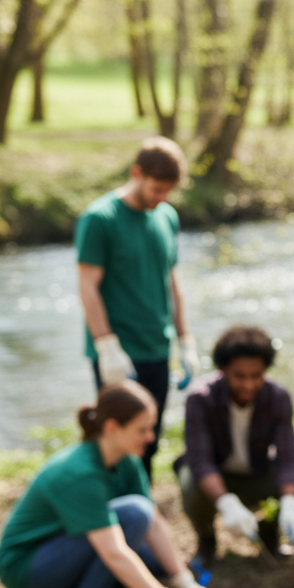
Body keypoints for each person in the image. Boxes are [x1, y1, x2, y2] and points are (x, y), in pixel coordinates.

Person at [0, 381, 217, 588]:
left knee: (156, 562)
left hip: (66, 547)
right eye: (142, 429)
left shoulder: (127, 460)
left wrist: (183, 581)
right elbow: (114, 549)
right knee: (133, 516)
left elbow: (154, 522)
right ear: (112, 427)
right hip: (27, 567)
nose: (151, 437)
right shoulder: (80, 473)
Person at [75, 136, 199, 481]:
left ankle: (140, 506)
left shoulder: (166, 217)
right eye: (156, 188)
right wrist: (107, 346)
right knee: (115, 440)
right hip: (119, 352)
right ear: (136, 173)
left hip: (156, 345)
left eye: (168, 191)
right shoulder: (100, 219)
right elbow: (87, 286)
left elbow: (172, 282)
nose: (161, 198)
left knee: (148, 439)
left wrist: (185, 341)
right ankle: (109, 509)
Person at [175, 325, 294, 565]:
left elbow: (287, 456)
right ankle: (206, 539)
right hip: (218, 476)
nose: (248, 385)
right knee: (190, 482)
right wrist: (226, 504)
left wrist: (289, 503)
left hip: (257, 472)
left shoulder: (278, 397)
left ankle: (270, 528)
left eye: (256, 376)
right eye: (240, 376)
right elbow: (201, 461)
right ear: (223, 369)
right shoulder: (200, 399)